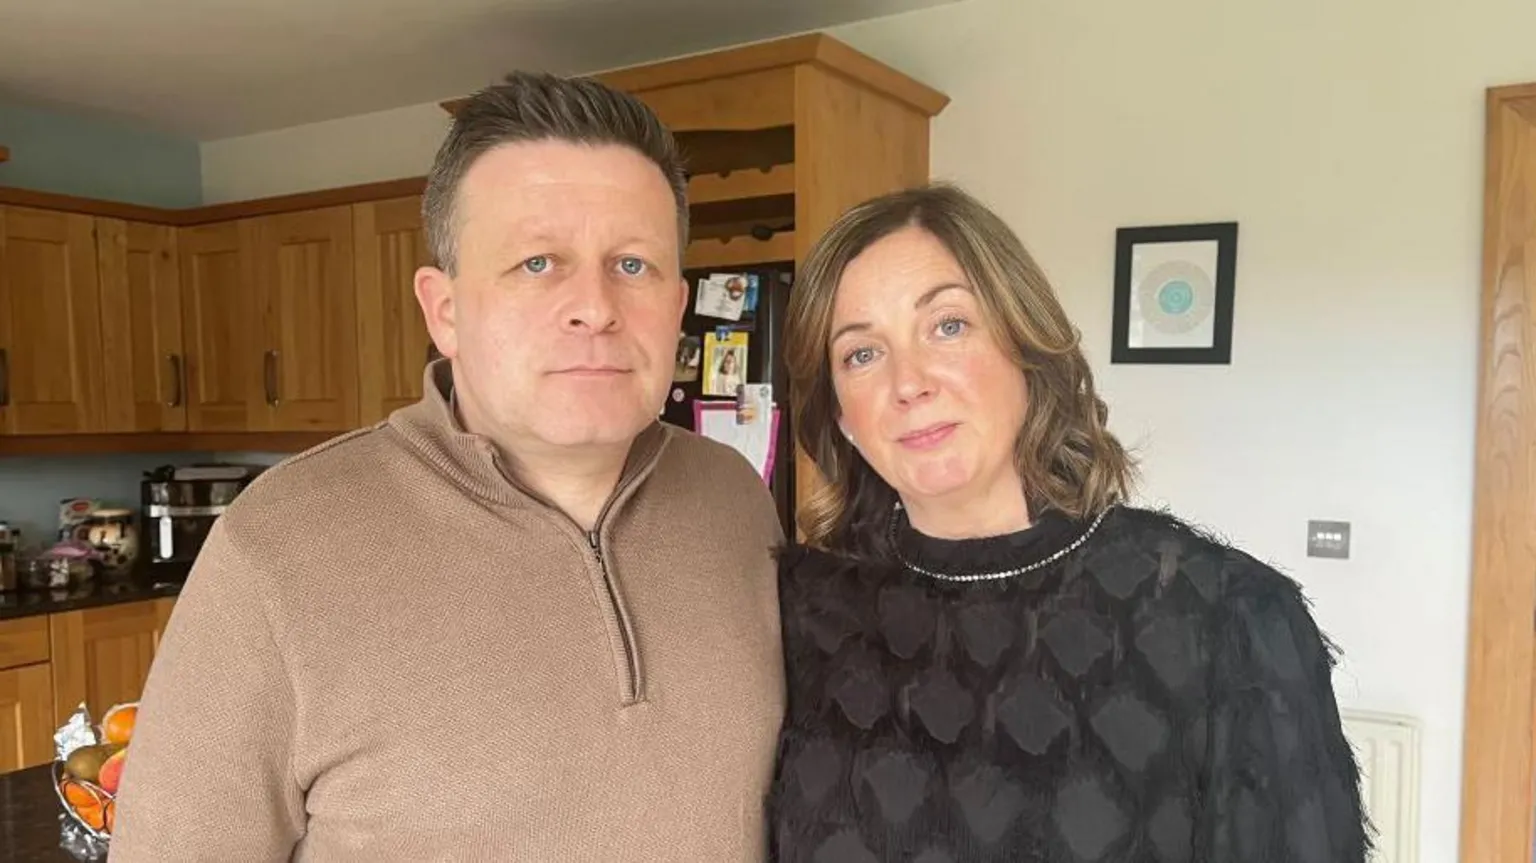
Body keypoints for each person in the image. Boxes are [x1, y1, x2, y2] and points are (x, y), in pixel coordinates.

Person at [112, 72, 787, 862]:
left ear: (677, 306)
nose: (596, 307)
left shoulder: (736, 500)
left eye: (633, 265)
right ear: (445, 310)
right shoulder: (275, 548)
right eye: (538, 262)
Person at [768, 183, 1370, 862]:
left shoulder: (1227, 620)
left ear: (1025, 345)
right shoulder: (796, 617)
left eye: (948, 325)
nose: (909, 382)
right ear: (841, 415)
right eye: (861, 354)